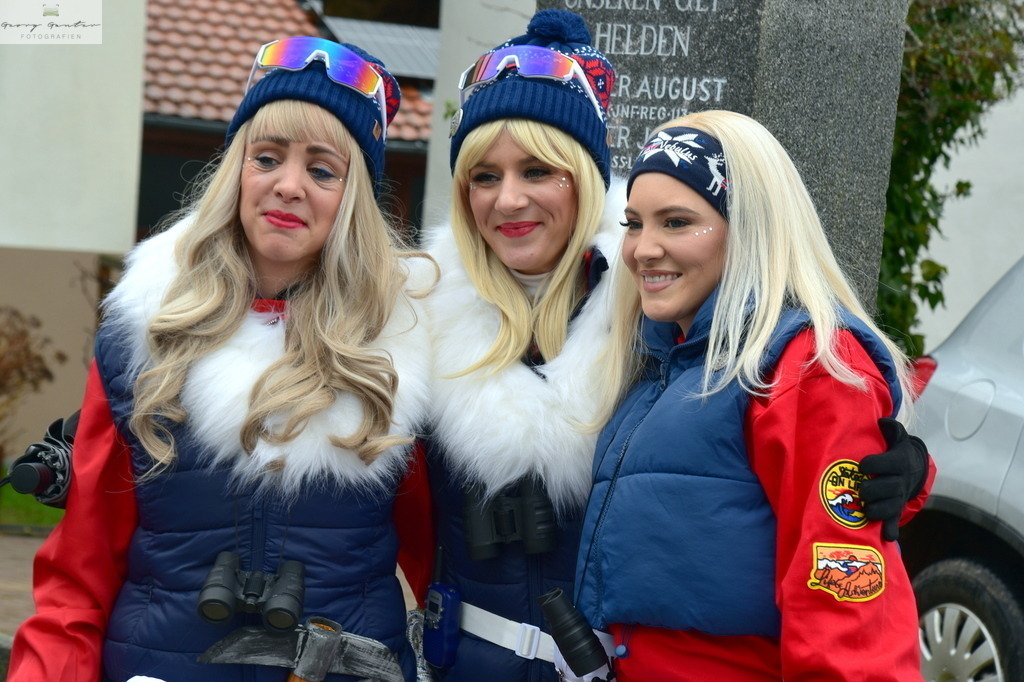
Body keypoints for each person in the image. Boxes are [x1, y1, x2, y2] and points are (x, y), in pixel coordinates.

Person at [409, 9, 931, 682]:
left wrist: (893, 475)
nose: (509, 200)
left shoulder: (650, 325)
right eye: (483, 176)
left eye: (538, 170)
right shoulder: (420, 308)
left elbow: (832, 559)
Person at [9, 36, 432, 682]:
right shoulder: (145, 333)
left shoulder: (401, 349)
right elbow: (79, 570)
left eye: (323, 170)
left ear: (352, 200)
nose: (288, 186)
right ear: (237, 168)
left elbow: (445, 565)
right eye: (267, 158)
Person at [573, 111, 927, 680]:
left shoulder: (808, 367)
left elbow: (844, 614)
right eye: (634, 223)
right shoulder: (663, 356)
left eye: (677, 221)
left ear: (749, 229)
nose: (643, 248)